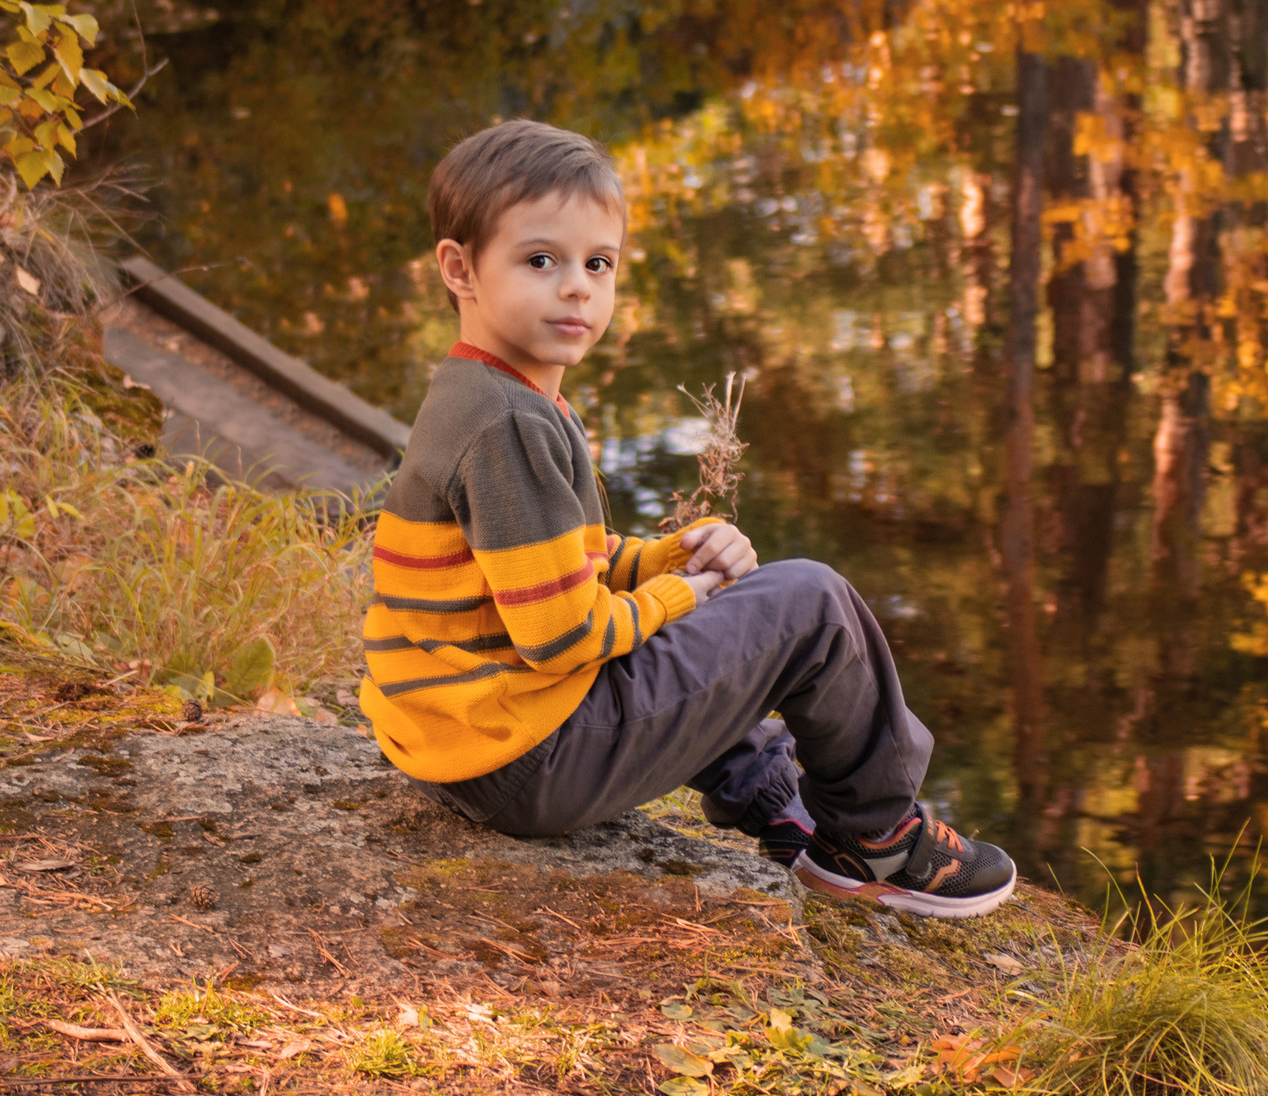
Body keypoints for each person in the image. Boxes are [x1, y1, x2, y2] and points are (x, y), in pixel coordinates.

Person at [358, 119, 1017, 918]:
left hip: (468, 741)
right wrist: (681, 596)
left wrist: (670, 559)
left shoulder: (486, 390)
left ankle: (781, 805)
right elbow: (561, 635)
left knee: (723, 621)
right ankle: (877, 840)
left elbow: (557, 569)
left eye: (598, 263)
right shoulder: (510, 424)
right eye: (541, 260)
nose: (578, 287)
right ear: (460, 268)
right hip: (524, 760)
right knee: (809, 601)